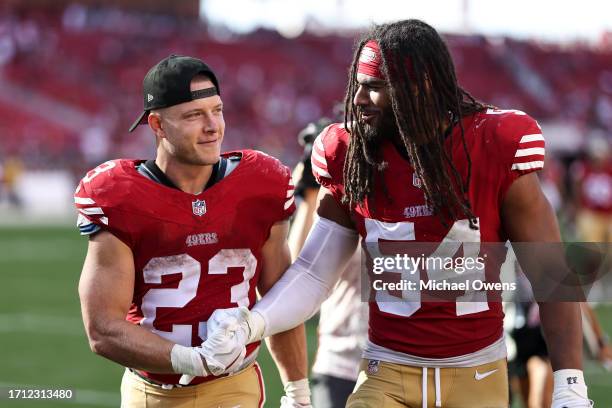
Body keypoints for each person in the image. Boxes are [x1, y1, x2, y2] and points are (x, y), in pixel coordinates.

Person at [203, 20, 594, 408]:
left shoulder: (493, 144)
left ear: (417, 89)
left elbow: (551, 274)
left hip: (476, 374)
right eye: (357, 85)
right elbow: (313, 272)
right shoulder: (351, 155)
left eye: (373, 88)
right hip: (386, 371)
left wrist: (570, 384)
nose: (357, 99)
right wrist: (253, 322)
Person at [75, 54, 311, 407]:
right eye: (194, 115)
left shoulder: (260, 184)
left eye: (217, 110)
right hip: (152, 393)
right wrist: (193, 360)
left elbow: (281, 298)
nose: (213, 126)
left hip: (236, 386)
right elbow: (103, 329)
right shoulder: (119, 195)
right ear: (157, 125)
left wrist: (298, 393)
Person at [290, 119, 368, 408]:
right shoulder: (338, 201)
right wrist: (311, 192)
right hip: (339, 357)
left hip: (393, 359)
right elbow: (297, 268)